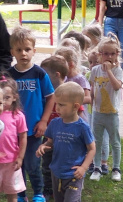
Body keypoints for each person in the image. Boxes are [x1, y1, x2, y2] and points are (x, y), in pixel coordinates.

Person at [8, 26, 55, 202]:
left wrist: (44, 121)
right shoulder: (9, 75)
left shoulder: (40, 74)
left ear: (34, 51)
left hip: (34, 129)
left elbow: (51, 98)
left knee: (33, 164)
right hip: (14, 130)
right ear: (12, 51)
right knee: (16, 164)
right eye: (19, 50)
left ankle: (38, 193)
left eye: (27, 49)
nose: (23, 53)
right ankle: (20, 194)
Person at [36, 82, 96, 202]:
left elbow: (92, 149)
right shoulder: (54, 123)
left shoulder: (82, 127)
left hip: (74, 174)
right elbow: (50, 142)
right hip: (56, 172)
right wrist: (43, 146)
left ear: (75, 106)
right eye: (56, 104)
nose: (57, 108)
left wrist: (83, 168)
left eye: (61, 105)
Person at [89, 33, 123, 182]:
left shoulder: (117, 71)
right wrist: (91, 103)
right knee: (96, 140)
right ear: (100, 54)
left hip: (112, 113)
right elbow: (92, 88)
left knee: (114, 141)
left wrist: (109, 70)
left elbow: (116, 87)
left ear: (117, 55)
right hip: (97, 112)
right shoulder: (95, 70)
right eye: (105, 53)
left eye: (112, 54)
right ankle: (96, 168)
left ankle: (116, 168)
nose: (109, 56)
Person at [40, 56, 69, 201]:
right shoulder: (45, 92)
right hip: (48, 137)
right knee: (47, 164)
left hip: (66, 137)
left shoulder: (69, 92)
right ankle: (48, 189)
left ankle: (66, 188)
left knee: (65, 164)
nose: (42, 77)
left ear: (57, 74)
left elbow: (80, 114)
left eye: (44, 74)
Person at [0, 75, 27, 202]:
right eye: (1, 98)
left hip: (11, 161)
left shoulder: (18, 115)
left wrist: (20, 157)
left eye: (7, 98)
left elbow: (23, 137)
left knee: (12, 192)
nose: (4, 102)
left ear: (14, 97)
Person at [85, 49, 110, 176]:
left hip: (103, 110)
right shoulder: (88, 75)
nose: (92, 65)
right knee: (91, 136)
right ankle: (92, 161)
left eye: (96, 62)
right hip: (91, 111)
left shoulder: (106, 74)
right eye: (90, 62)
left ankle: (103, 162)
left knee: (103, 136)